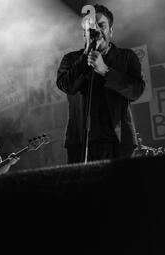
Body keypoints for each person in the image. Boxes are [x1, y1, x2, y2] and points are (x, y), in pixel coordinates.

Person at [56, 4, 145, 163]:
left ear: (110, 30)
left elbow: (136, 91)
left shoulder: (127, 57)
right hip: (81, 142)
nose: (96, 30)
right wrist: (85, 57)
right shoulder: (71, 59)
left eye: (101, 25)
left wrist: (106, 71)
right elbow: (66, 86)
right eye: (91, 27)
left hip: (118, 143)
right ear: (84, 34)